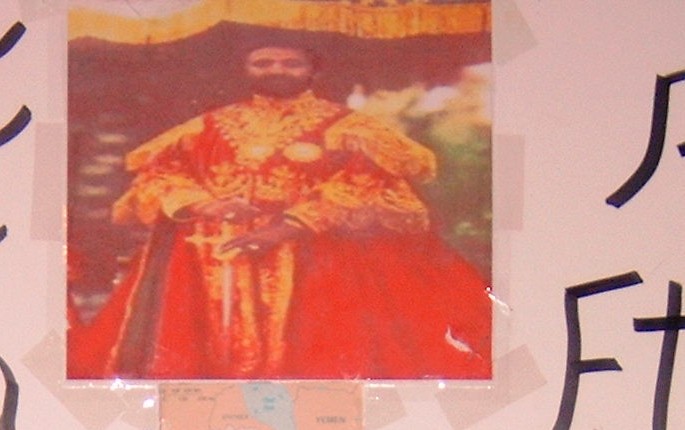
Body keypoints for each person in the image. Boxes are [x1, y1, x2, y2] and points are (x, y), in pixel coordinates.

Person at [68, 39, 493, 381]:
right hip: (213, 256)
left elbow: (368, 182)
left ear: (313, 70)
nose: (277, 70)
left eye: (291, 63)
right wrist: (206, 203)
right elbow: (160, 174)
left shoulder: (348, 126)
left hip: (321, 255)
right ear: (245, 69)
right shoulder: (208, 126)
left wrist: (289, 226)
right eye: (263, 62)